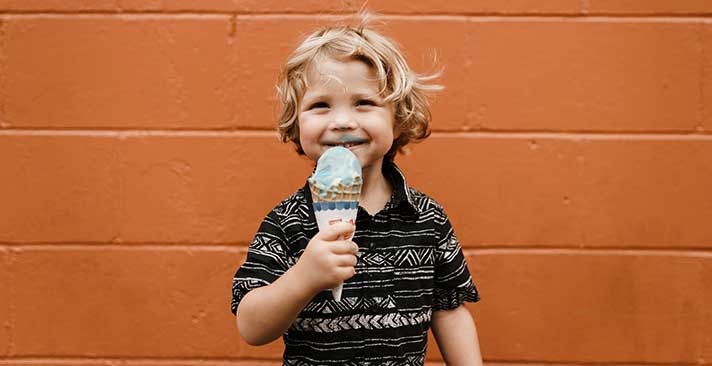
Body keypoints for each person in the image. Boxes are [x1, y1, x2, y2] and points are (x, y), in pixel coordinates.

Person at [231, 13, 482, 366]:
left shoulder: (428, 219)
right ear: (296, 124)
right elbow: (251, 327)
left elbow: (450, 311)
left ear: (397, 120)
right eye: (320, 105)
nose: (342, 121)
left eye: (363, 102)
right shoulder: (287, 221)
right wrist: (303, 278)